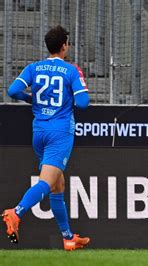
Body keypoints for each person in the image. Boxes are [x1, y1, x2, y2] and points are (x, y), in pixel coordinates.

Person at [3, 25, 91, 251]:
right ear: (64, 46)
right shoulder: (72, 71)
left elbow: (12, 90)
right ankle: (17, 212)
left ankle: (68, 237)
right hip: (60, 133)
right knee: (47, 182)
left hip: (39, 132)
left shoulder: (34, 67)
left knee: (57, 185)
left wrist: (30, 99)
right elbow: (82, 103)